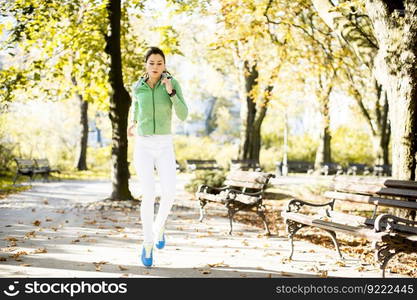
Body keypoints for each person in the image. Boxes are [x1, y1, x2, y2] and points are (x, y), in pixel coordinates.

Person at [127, 47, 188, 267]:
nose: (155, 67)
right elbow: (136, 107)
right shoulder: (138, 86)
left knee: (170, 193)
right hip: (143, 144)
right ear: (146, 64)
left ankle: (159, 227)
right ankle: (147, 242)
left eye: (159, 63)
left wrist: (171, 91)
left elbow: (183, 114)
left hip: (164, 144)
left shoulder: (172, 83)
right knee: (149, 194)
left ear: (164, 64)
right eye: (151, 63)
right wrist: (132, 123)